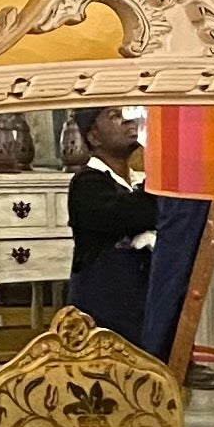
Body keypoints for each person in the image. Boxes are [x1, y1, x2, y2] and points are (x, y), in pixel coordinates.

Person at [64, 107, 156, 343]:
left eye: (128, 113)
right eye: (116, 116)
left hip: (141, 313)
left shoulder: (138, 182)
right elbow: (134, 213)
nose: (128, 120)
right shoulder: (87, 184)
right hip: (104, 320)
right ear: (94, 136)